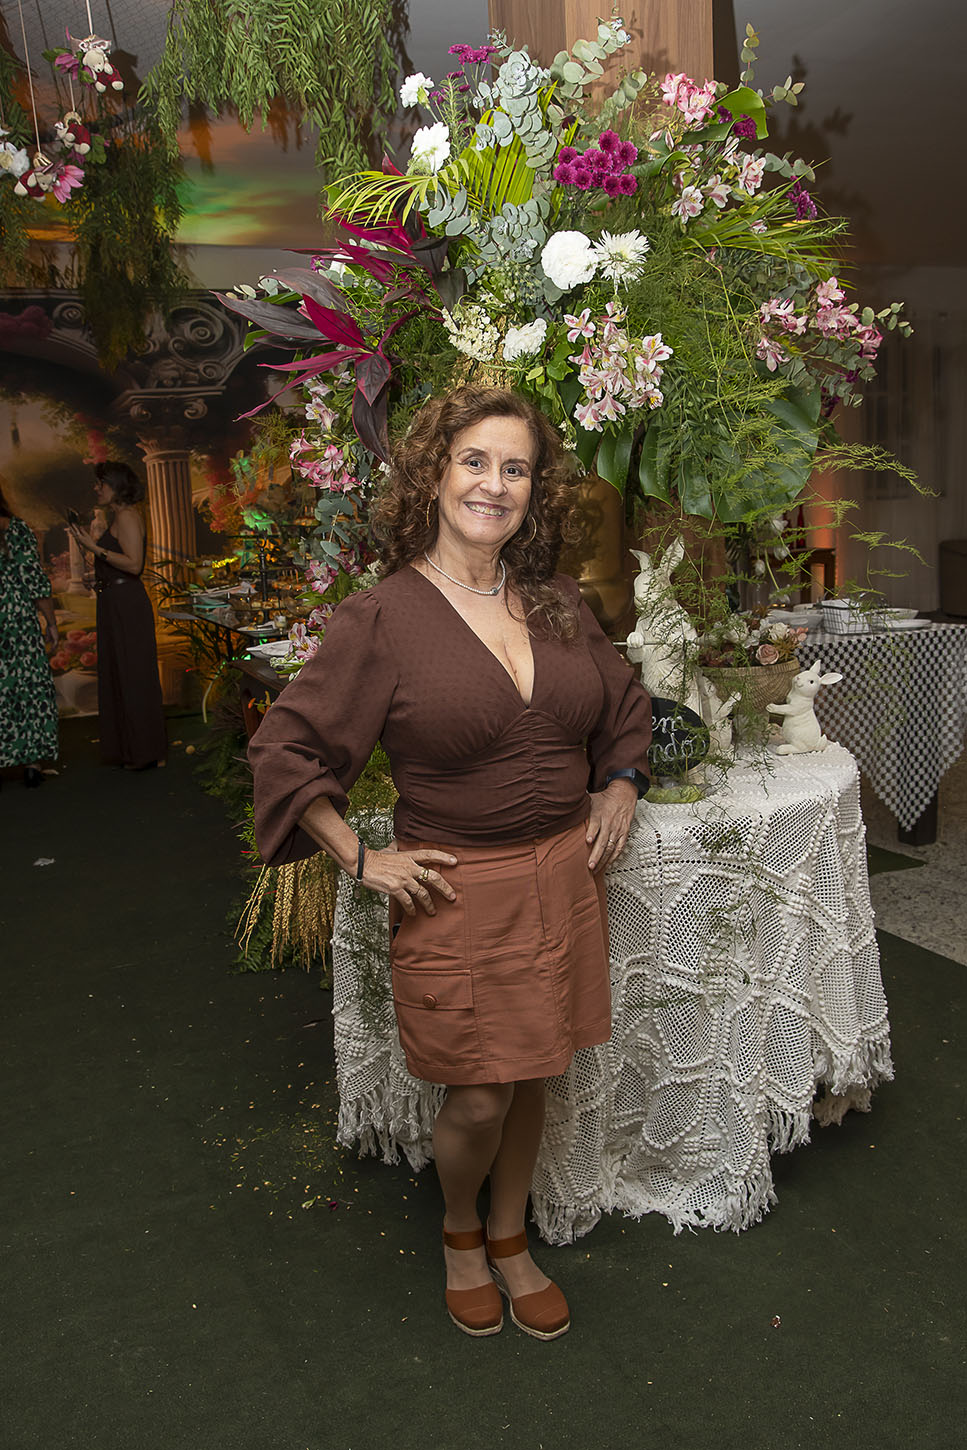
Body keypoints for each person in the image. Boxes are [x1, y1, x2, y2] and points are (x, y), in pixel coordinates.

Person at [249, 387, 652, 1339]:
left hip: (564, 879)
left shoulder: (556, 602)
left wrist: (620, 786)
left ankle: (510, 1238)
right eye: (474, 461)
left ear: (533, 489)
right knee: (478, 1092)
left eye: (515, 468)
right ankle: (461, 1230)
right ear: (433, 474)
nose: (493, 485)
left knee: (533, 1071)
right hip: (459, 893)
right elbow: (285, 750)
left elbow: (623, 704)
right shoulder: (381, 618)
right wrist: (361, 857)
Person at [68, 461, 167, 770]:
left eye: (102, 483)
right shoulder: (119, 516)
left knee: (133, 673)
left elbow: (134, 564)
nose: (96, 488)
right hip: (115, 601)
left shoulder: (127, 516)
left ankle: (144, 751)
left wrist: (92, 547)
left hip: (127, 604)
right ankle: (130, 748)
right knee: (122, 672)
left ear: (117, 485)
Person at [0, 485, 59, 787]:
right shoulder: (17, 528)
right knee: (28, 686)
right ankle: (32, 763)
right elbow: (33, 579)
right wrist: (51, 622)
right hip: (17, 618)